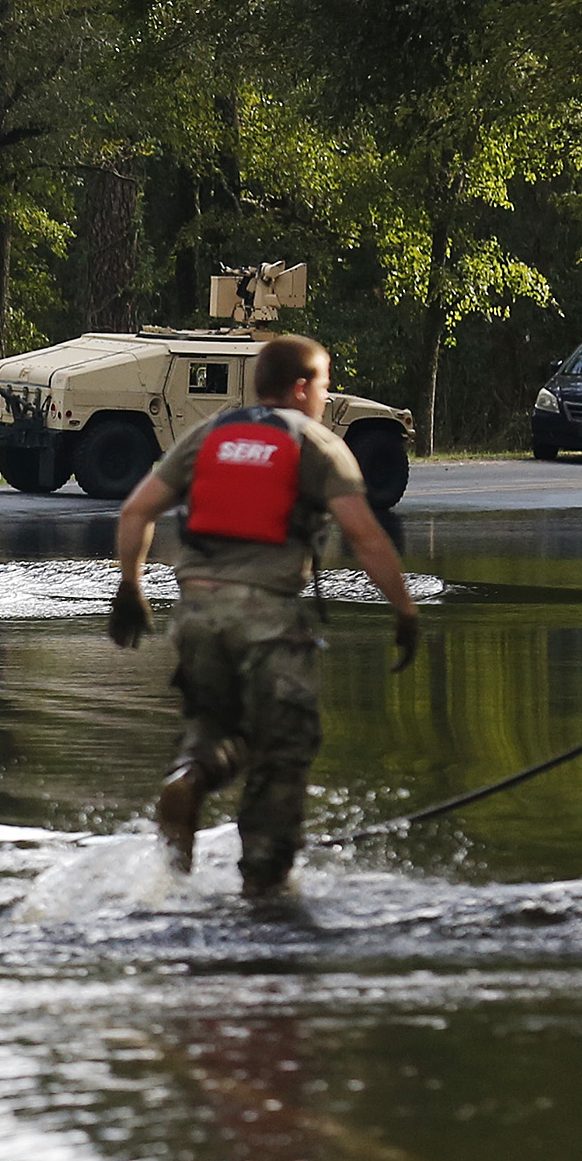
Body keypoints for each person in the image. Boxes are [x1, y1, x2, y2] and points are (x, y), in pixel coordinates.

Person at [108, 330, 421, 903]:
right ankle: (264, 893)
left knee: (217, 729)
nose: (325, 398)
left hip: (197, 616)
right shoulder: (316, 444)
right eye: (324, 386)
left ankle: (189, 780)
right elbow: (365, 536)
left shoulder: (210, 435)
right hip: (268, 621)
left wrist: (131, 587)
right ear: (301, 388)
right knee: (284, 750)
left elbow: (135, 511)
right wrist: (404, 610)